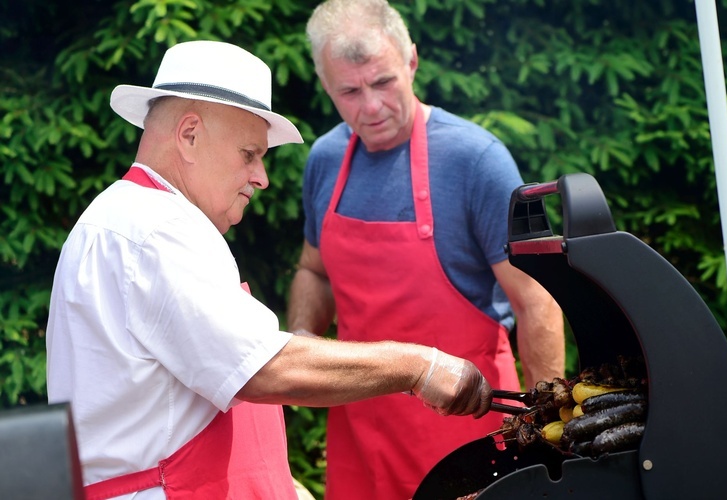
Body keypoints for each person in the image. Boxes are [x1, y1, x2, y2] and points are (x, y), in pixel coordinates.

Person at [45, 40, 494, 500]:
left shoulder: (133, 217)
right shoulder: (156, 228)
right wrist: (420, 366)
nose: (261, 177)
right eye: (248, 154)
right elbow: (261, 368)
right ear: (189, 135)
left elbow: (186, 398)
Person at [286, 1, 566, 498]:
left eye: (384, 82)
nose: (370, 107)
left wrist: (549, 437)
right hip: (358, 431)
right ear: (325, 84)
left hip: (463, 428)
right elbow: (315, 271)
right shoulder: (325, 159)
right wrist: (303, 340)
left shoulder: (476, 161)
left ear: (411, 61)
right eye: (349, 91)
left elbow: (536, 302)